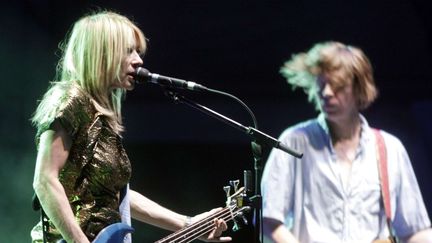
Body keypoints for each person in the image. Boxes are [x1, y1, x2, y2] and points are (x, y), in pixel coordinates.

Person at [30, 11, 231, 243]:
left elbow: (118, 196)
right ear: (101, 52)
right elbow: (45, 180)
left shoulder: (102, 116)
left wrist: (188, 223)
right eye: (128, 51)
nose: (139, 60)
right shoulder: (70, 99)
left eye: (138, 51)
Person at [261, 41, 432, 243]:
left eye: (337, 85)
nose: (326, 93)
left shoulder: (390, 148)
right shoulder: (293, 142)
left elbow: (415, 230)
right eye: (321, 84)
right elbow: (267, 219)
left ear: (359, 88)